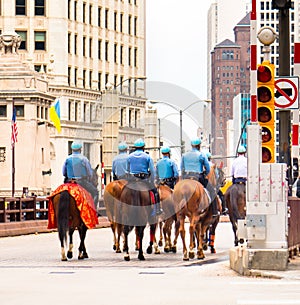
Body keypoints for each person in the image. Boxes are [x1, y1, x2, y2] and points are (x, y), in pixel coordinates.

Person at [181, 138, 219, 217]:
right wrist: (205, 173)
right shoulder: (201, 155)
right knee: (212, 191)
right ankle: (215, 211)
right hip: (198, 177)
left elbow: (182, 168)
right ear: (199, 146)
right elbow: (208, 168)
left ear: (191, 146)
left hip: (186, 177)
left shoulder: (184, 155)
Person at [127, 138, 163, 216]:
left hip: (132, 179)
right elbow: (153, 172)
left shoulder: (129, 157)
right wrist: (153, 181)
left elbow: (127, 170)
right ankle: (157, 209)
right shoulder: (147, 157)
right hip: (144, 179)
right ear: (143, 147)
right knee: (155, 192)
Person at [62, 141, 99, 209]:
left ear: (72, 149)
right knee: (96, 192)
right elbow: (89, 173)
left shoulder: (67, 159)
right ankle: (93, 210)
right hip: (81, 182)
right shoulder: (84, 159)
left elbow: (64, 173)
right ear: (80, 149)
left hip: (69, 181)